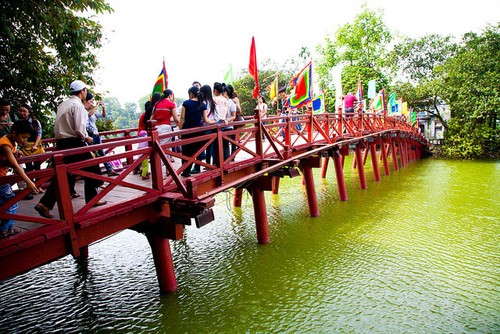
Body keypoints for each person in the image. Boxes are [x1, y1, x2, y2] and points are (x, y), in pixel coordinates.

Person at [35, 80, 106, 219]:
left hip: (62, 144)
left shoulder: (63, 104)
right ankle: (92, 201)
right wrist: (87, 138)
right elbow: (79, 129)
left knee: (65, 176)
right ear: (82, 91)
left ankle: (44, 204)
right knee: (94, 169)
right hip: (74, 143)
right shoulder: (78, 106)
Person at [0, 120, 40, 238]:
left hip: (2, 176)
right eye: (23, 137)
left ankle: (8, 227)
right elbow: (16, 167)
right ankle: (4, 230)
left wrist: (16, 151)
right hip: (1, 179)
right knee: (11, 203)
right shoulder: (5, 145)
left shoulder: (8, 140)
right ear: (14, 133)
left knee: (4, 203)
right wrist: (29, 183)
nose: (25, 141)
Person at [179, 86, 214, 177]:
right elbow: (206, 120)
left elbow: (182, 117)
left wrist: (180, 129)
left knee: (186, 152)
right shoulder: (202, 105)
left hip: (187, 131)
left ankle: (186, 171)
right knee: (196, 151)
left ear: (191, 93)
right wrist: (213, 122)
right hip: (199, 131)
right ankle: (193, 167)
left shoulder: (186, 103)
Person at [84, 92, 119, 177]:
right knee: (91, 155)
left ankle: (109, 170)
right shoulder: (84, 111)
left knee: (101, 153)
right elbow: (89, 114)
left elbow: (103, 115)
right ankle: (94, 174)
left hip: (96, 135)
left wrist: (103, 107)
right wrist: (96, 106)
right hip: (90, 135)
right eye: (91, 101)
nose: (92, 103)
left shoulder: (93, 112)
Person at [16, 103, 45, 198]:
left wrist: (36, 145)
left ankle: (38, 186)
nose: (22, 113)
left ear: (29, 112)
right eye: (20, 111)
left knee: (37, 167)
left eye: (24, 111)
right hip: (24, 147)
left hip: (34, 146)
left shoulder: (35, 122)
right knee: (28, 168)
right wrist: (23, 143)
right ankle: (31, 186)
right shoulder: (18, 121)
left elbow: (39, 133)